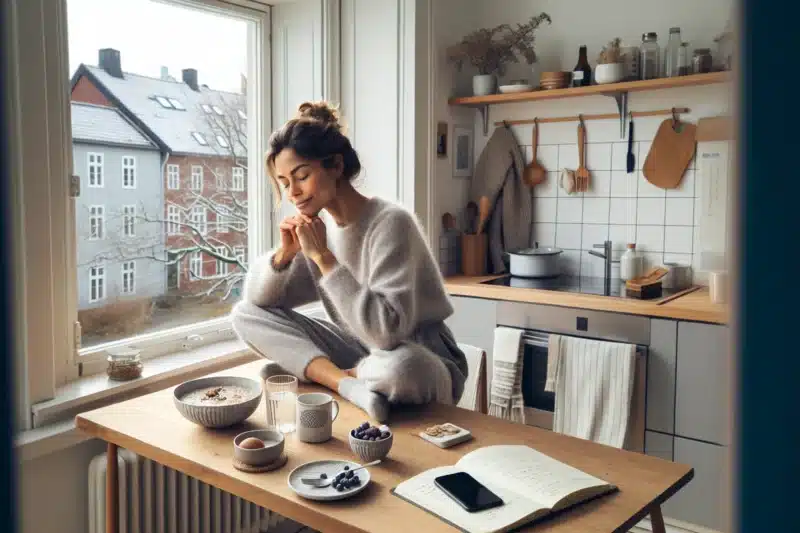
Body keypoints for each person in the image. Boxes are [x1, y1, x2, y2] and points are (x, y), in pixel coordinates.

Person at [231, 101, 468, 423]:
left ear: (336, 166)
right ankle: (347, 384)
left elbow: (386, 333)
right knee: (244, 313)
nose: (293, 193)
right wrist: (284, 255)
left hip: (422, 358)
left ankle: (322, 373)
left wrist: (325, 260)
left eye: (302, 176)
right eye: (285, 183)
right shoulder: (319, 230)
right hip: (359, 350)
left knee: (401, 366)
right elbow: (260, 303)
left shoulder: (391, 222)